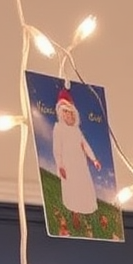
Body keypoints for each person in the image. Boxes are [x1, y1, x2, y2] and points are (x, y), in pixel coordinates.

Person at [51, 87, 100, 230]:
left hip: (80, 163)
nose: (67, 115)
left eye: (69, 112)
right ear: (61, 113)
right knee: (72, 188)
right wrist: (60, 166)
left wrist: (94, 159)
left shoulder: (76, 130)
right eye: (64, 112)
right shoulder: (58, 129)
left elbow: (85, 145)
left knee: (83, 186)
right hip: (68, 164)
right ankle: (75, 213)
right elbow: (57, 149)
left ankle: (87, 210)